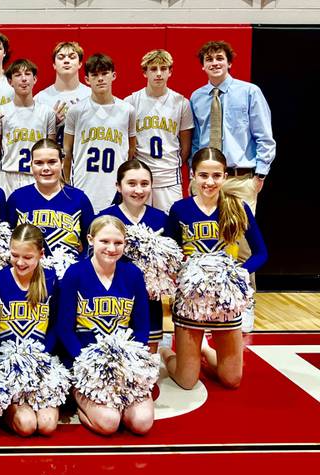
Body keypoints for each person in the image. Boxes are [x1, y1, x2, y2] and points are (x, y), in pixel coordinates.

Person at [161, 147, 267, 389]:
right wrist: (182, 274)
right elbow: (171, 254)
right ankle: (167, 353)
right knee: (187, 381)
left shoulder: (238, 208)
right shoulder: (180, 209)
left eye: (216, 176)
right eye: (203, 175)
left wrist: (239, 273)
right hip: (191, 301)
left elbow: (261, 253)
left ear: (225, 176)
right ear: (194, 175)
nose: (210, 182)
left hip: (225, 300)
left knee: (232, 380)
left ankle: (205, 349)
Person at [56, 216, 153, 436]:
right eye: (104, 241)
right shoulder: (75, 274)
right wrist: (89, 363)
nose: (111, 248)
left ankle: (114, 402)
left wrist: (129, 361)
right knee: (109, 423)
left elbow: (141, 327)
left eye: (118, 243)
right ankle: (79, 400)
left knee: (142, 423)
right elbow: (64, 329)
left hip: (123, 365)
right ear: (91, 240)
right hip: (85, 365)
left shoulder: (133, 274)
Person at [0, 224, 60, 436]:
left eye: (28, 257)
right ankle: (2, 410)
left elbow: (56, 327)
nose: (20, 262)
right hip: (6, 367)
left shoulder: (51, 279)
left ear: (41, 254)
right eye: (14, 255)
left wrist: (39, 358)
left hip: (41, 365)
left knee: (47, 426)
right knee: (27, 425)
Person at [190, 40, 275, 215]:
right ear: (203, 66)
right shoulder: (196, 97)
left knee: (241, 238)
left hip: (239, 180)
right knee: (206, 237)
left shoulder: (250, 92)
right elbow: (196, 140)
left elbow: (264, 137)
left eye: (219, 58)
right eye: (209, 59)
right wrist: (194, 171)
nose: (214, 63)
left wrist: (260, 174)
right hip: (206, 180)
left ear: (229, 63)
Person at [99, 159, 168, 351]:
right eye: (131, 183)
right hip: (113, 301)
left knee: (146, 364)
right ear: (118, 187)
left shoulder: (161, 219)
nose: (138, 190)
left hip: (149, 302)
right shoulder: (105, 218)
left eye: (144, 184)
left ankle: (166, 353)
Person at [64, 53, 137, 212]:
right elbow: (67, 152)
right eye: (95, 75)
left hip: (114, 185)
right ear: (87, 79)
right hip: (83, 182)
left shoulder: (127, 110)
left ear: (114, 75)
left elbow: (131, 150)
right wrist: (67, 185)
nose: (100, 79)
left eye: (104, 73)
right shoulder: (75, 111)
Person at [125, 49, 193, 213]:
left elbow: (185, 147)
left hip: (169, 177)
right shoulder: (131, 101)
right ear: (145, 73)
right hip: (140, 176)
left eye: (163, 69)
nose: (158, 74)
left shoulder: (181, 103)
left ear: (170, 72)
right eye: (153, 69)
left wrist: (171, 165)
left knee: (171, 227)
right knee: (138, 227)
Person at [6, 138, 94, 257]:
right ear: (31, 164)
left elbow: (91, 243)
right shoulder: (17, 198)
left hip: (68, 274)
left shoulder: (79, 199)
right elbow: (6, 241)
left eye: (52, 162)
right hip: (27, 272)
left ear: (62, 163)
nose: (46, 168)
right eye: (39, 163)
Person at [0, 59, 57, 194]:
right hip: (8, 174)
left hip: (37, 175)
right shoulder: (1, 111)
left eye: (27, 74)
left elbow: (52, 149)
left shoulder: (47, 112)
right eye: (18, 75)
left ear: (35, 79)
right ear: (10, 81)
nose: (23, 79)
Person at [34, 41, 92, 147]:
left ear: (80, 64)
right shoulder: (40, 98)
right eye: (61, 57)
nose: (66, 61)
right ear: (54, 65)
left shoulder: (91, 95)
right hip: (51, 159)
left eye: (72, 57)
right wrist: (51, 124)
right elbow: (33, 137)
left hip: (82, 158)